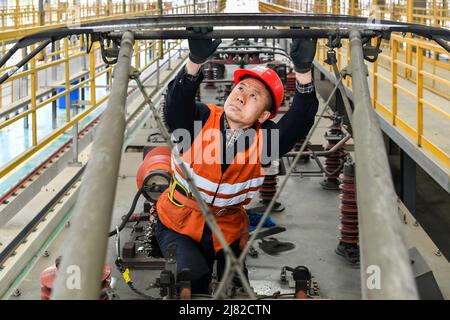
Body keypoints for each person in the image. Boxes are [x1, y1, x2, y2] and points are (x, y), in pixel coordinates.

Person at [154, 26, 319, 294]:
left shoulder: (266, 143)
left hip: (228, 228)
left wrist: (303, 72)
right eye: (241, 87)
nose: (241, 96)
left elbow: (299, 120)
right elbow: (175, 107)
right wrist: (194, 62)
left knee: (237, 285)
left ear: (264, 116)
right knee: (193, 276)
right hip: (178, 222)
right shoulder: (200, 119)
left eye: (254, 95)